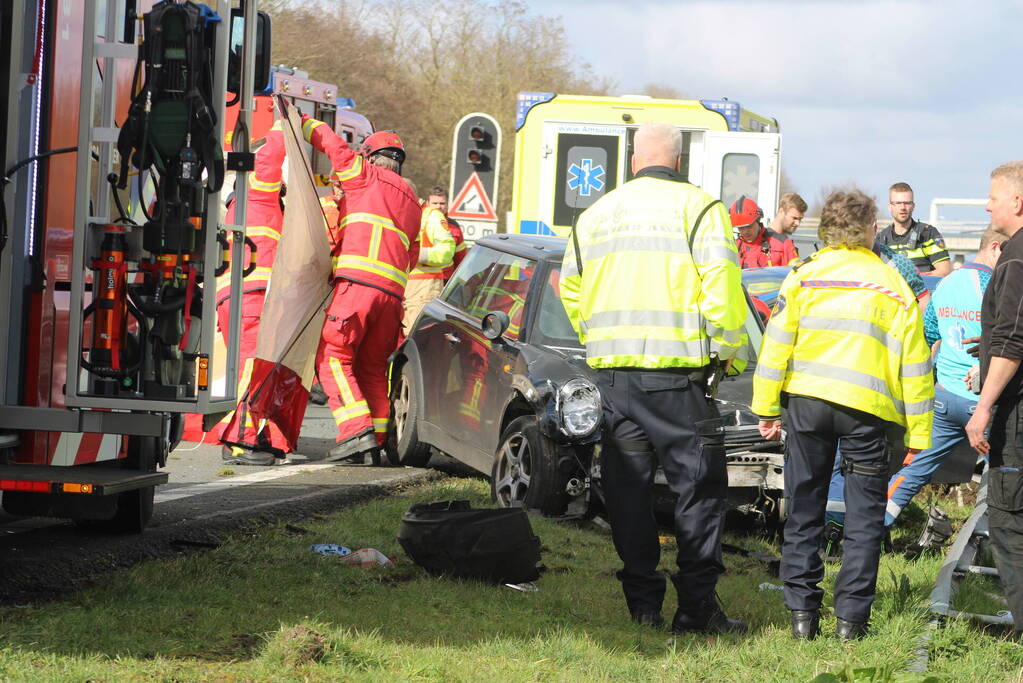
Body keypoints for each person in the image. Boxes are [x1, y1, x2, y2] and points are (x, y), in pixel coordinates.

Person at [560, 121, 749, 635]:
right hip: (677, 382)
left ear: (632, 160)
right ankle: (696, 609)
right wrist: (727, 353)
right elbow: (722, 291)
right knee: (700, 491)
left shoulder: (595, 215)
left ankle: (642, 603)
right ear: (680, 161)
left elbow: (571, 288)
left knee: (627, 492)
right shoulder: (701, 209)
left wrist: (599, 340)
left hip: (615, 381)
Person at [752, 188, 934, 640]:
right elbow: (915, 366)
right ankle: (851, 621)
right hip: (867, 414)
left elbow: (776, 347)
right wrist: (919, 432)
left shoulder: (803, 276)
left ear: (825, 230)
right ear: (873, 229)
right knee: (864, 517)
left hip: (808, 406)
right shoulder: (893, 286)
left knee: (804, 510)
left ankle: (801, 617)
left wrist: (766, 407)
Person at [823, 227, 1004, 540]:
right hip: (982, 396)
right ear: (997, 248)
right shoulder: (996, 286)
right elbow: (1008, 344)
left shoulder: (947, 284)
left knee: (914, 470)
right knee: (1006, 472)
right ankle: (1003, 543)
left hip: (945, 396)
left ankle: (870, 530)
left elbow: (927, 335)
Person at [302, 117, 422, 463]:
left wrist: (302, 123)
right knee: (370, 368)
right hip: (393, 297)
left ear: (368, 156)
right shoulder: (413, 200)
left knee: (332, 357)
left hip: (358, 288)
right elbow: (411, 255)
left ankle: (355, 433)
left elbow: (332, 144)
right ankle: (379, 438)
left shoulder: (364, 175)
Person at [965, 161, 1023, 639]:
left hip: (1018, 417)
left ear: (1017, 202)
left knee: (1009, 522)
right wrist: (982, 354)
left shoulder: (1018, 257)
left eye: (993, 198)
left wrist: (984, 406)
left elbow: (1013, 341)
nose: (987, 206)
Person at [216, 120, 290, 466]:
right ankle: (240, 442)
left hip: (249, 296)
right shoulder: (257, 190)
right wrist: (285, 123)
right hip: (249, 297)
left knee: (257, 370)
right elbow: (270, 155)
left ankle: (256, 437)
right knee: (249, 370)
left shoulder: (251, 201)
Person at [403, 184, 456, 330]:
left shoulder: (432, 216)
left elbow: (447, 251)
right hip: (405, 285)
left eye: (442, 203)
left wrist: (418, 255)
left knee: (416, 333)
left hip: (425, 287)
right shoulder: (405, 212)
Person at [875, 182, 951, 276]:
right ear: (890, 207)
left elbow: (945, 270)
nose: (903, 207)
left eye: (907, 203)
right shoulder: (881, 238)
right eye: (898, 203)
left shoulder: (928, 234)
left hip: (922, 289)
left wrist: (915, 280)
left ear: (913, 206)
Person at [731, 196, 799, 268]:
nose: (745, 231)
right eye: (741, 228)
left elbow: (795, 274)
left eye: (749, 226)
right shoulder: (734, 247)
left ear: (758, 221)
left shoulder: (783, 244)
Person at [427, 185, 468, 280]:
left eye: (442, 203)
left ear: (447, 205)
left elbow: (460, 259)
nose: (438, 206)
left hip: (446, 279)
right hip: (425, 278)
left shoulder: (454, 227)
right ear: (428, 204)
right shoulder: (421, 223)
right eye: (435, 203)